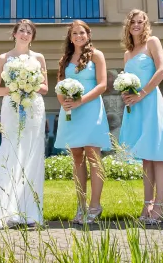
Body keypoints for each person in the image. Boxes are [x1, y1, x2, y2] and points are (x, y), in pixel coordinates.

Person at [0, 20, 48, 229]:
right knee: (10, 153)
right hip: (12, 107)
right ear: (14, 33)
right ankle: (1, 209)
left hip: (34, 109)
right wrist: (15, 87)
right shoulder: (3, 58)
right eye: (21, 30)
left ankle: (28, 212)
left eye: (29, 32)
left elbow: (45, 87)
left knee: (32, 155)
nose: (25, 34)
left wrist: (30, 85)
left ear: (32, 37)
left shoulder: (39, 58)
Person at [53, 20, 111, 225]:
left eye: (82, 33)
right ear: (70, 37)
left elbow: (102, 84)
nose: (79, 36)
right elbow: (59, 84)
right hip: (71, 112)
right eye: (75, 33)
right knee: (77, 157)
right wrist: (65, 103)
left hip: (90, 108)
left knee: (94, 156)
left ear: (88, 34)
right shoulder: (65, 59)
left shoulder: (97, 55)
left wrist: (80, 101)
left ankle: (95, 205)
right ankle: (81, 205)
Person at [117, 9, 163, 225]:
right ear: (128, 26)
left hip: (149, 101)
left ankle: (160, 205)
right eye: (133, 22)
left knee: (157, 152)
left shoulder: (152, 42)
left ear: (145, 24)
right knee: (145, 155)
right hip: (135, 105)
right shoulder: (128, 53)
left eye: (140, 22)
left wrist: (141, 94)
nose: (136, 25)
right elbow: (128, 78)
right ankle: (147, 203)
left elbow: (162, 71)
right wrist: (126, 92)